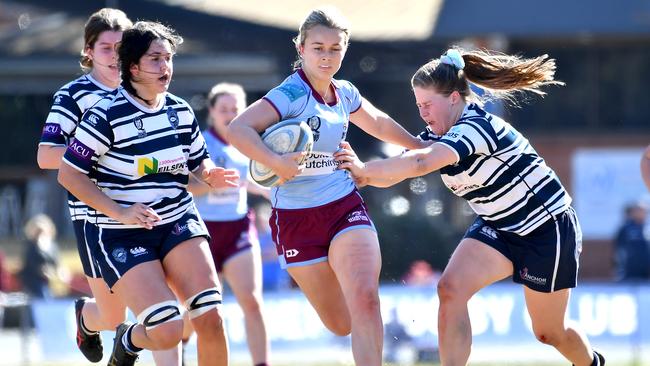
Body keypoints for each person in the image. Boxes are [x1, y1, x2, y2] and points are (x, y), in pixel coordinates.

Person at [335, 48, 605, 366]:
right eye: (418, 105)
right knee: (450, 290)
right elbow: (401, 167)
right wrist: (362, 176)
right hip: (498, 226)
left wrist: (365, 170)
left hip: (546, 228)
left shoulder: (475, 128)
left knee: (549, 332)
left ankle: (591, 363)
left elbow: (420, 162)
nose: (422, 113)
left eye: (427, 104)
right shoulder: (438, 135)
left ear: (452, 98)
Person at [228, 7, 426, 365]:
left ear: (345, 50)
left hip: (343, 206)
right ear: (301, 48)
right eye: (318, 47)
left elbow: (378, 123)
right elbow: (239, 129)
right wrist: (276, 163)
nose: (326, 56)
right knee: (341, 322)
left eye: (335, 48)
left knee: (366, 299)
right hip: (295, 219)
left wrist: (420, 145)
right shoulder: (289, 94)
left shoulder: (345, 93)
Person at [57, 21, 239, 366]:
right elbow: (69, 174)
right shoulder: (105, 114)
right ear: (133, 66)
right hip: (121, 232)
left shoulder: (180, 110)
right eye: (155, 59)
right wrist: (120, 211)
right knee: (168, 329)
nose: (165, 67)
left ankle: (129, 336)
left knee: (211, 319)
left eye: (168, 58)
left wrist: (209, 174)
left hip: (177, 220)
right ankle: (129, 337)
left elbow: (198, 162)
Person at [188, 82, 271, 366]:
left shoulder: (248, 141)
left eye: (235, 108)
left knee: (252, 302)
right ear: (211, 111)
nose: (230, 114)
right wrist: (209, 183)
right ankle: (181, 354)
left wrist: (271, 190)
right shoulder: (199, 142)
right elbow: (183, 184)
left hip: (237, 229)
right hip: (202, 234)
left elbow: (253, 179)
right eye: (223, 109)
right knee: (198, 311)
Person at [19, 214, 64, 299]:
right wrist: (43, 271)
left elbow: (57, 262)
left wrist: (59, 272)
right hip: (33, 281)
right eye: (38, 232)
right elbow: (32, 264)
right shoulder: (31, 246)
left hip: (49, 281)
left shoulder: (52, 246)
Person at [614, 202, 649, 281]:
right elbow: (618, 249)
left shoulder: (647, 227)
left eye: (643, 211)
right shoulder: (625, 229)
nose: (641, 213)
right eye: (638, 210)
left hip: (646, 272)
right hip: (630, 271)